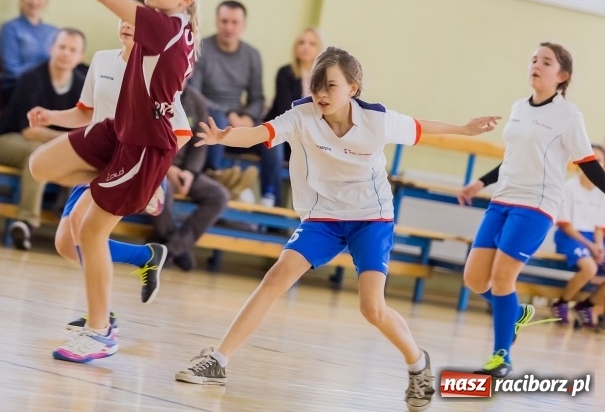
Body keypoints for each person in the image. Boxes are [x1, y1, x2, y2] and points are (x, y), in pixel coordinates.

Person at [174, 47, 501, 412]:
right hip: (322, 218)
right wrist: (224, 137)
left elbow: (423, 128)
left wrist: (465, 129)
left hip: (371, 218)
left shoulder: (377, 120)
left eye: (330, 85)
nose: (322, 93)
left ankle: (417, 363)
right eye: (317, 85)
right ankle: (218, 359)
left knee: (372, 309)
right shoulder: (302, 114)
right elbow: (258, 134)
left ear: (353, 88)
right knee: (274, 279)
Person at [28, 0, 206, 362]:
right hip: (118, 131)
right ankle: (128, 192)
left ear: (185, 0)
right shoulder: (160, 29)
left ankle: (99, 331)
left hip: (144, 146)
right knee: (40, 165)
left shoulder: (163, 26)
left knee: (86, 233)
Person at [28, 0, 190, 330]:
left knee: (84, 232)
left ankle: (100, 320)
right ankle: (145, 257)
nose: (129, 24)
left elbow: (181, 132)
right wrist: (52, 117)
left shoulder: (153, 72)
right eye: (124, 18)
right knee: (66, 245)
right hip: (94, 157)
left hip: (125, 166)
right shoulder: (101, 61)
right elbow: (85, 113)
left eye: (136, 20)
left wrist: (153, 175)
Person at [458, 42, 605, 377]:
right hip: (502, 201)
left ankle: (501, 358)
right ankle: (517, 312)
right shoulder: (519, 107)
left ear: (562, 76)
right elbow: (512, 157)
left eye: (546, 62)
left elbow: (588, 165)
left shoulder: (569, 115)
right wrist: (480, 183)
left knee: (501, 278)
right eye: (534, 59)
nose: (536, 65)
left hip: (536, 205)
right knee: (474, 278)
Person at [0, 28, 88, 250]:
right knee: (38, 154)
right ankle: (26, 222)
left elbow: (84, 130)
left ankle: (74, 229)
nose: (66, 53)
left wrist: (70, 143)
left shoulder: (82, 86)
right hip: (7, 140)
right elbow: (29, 131)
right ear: (51, 48)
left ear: (81, 57)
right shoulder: (32, 78)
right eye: (62, 47)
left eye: (73, 50)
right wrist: (68, 141)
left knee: (87, 163)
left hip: (53, 148)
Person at [188, 0, 284, 206]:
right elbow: (193, 93)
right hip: (212, 116)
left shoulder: (252, 55)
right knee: (219, 119)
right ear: (216, 22)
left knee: (271, 135)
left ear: (243, 25)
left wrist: (248, 117)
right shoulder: (201, 48)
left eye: (234, 22)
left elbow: (257, 97)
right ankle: (215, 177)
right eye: (224, 21)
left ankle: (269, 196)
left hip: (241, 122)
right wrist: (230, 113)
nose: (229, 27)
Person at [149, 81, 230, 271]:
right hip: (154, 168)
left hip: (186, 170)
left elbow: (199, 144)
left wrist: (190, 173)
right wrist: (168, 169)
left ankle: (169, 249)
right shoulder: (150, 96)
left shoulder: (197, 101)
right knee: (160, 192)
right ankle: (178, 250)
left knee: (219, 196)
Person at [549, 145, 605, 325]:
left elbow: (599, 226)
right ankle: (562, 302)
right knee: (590, 268)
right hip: (571, 237)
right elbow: (566, 225)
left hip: (592, 239)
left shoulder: (601, 191)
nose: (595, 164)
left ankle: (587, 304)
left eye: (599, 160)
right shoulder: (568, 188)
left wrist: (599, 247)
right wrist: (590, 247)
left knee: (598, 260)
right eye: (590, 160)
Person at [265, 27, 325, 160]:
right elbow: (285, 110)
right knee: (274, 147)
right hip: (284, 130)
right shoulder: (285, 72)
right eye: (301, 42)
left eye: (312, 43)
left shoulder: (326, 79)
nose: (305, 47)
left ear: (320, 49)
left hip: (312, 135)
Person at [0, 0, 58, 100]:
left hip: (52, 88)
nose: (34, 1)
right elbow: (11, 71)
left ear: (46, 1)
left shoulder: (54, 32)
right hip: (20, 89)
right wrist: (44, 75)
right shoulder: (10, 29)